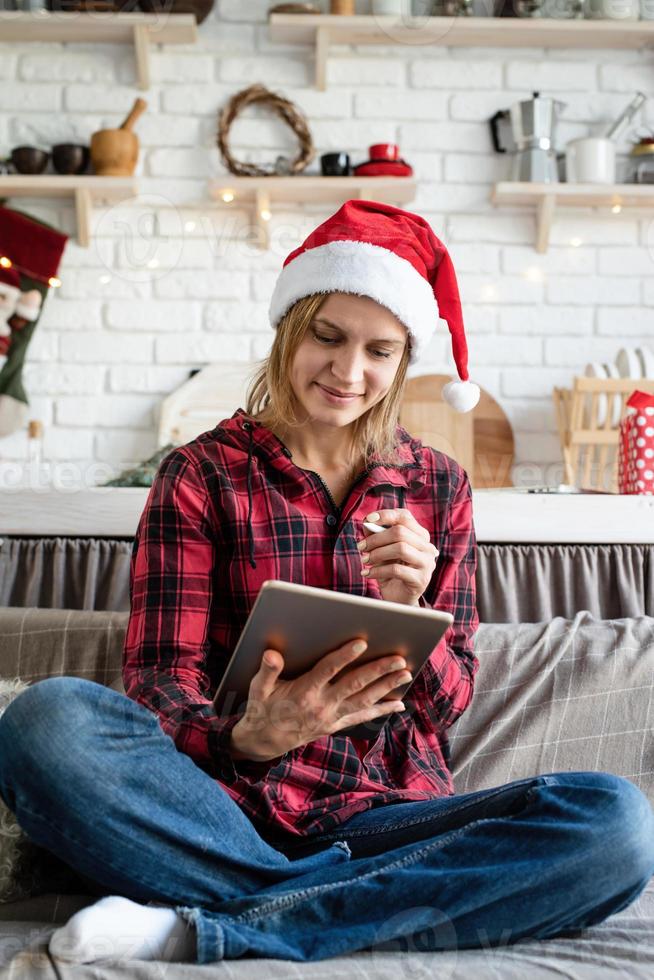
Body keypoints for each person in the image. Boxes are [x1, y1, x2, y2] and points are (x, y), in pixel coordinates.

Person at [0, 201, 652, 966]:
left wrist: (414, 602)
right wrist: (248, 736)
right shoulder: (201, 474)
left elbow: (449, 706)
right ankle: (321, 904)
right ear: (290, 328)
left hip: (387, 820)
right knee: (47, 722)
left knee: (611, 823)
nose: (349, 373)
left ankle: (211, 922)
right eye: (328, 337)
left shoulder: (439, 485)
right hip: (217, 810)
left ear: (404, 360)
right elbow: (158, 683)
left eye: (380, 350)